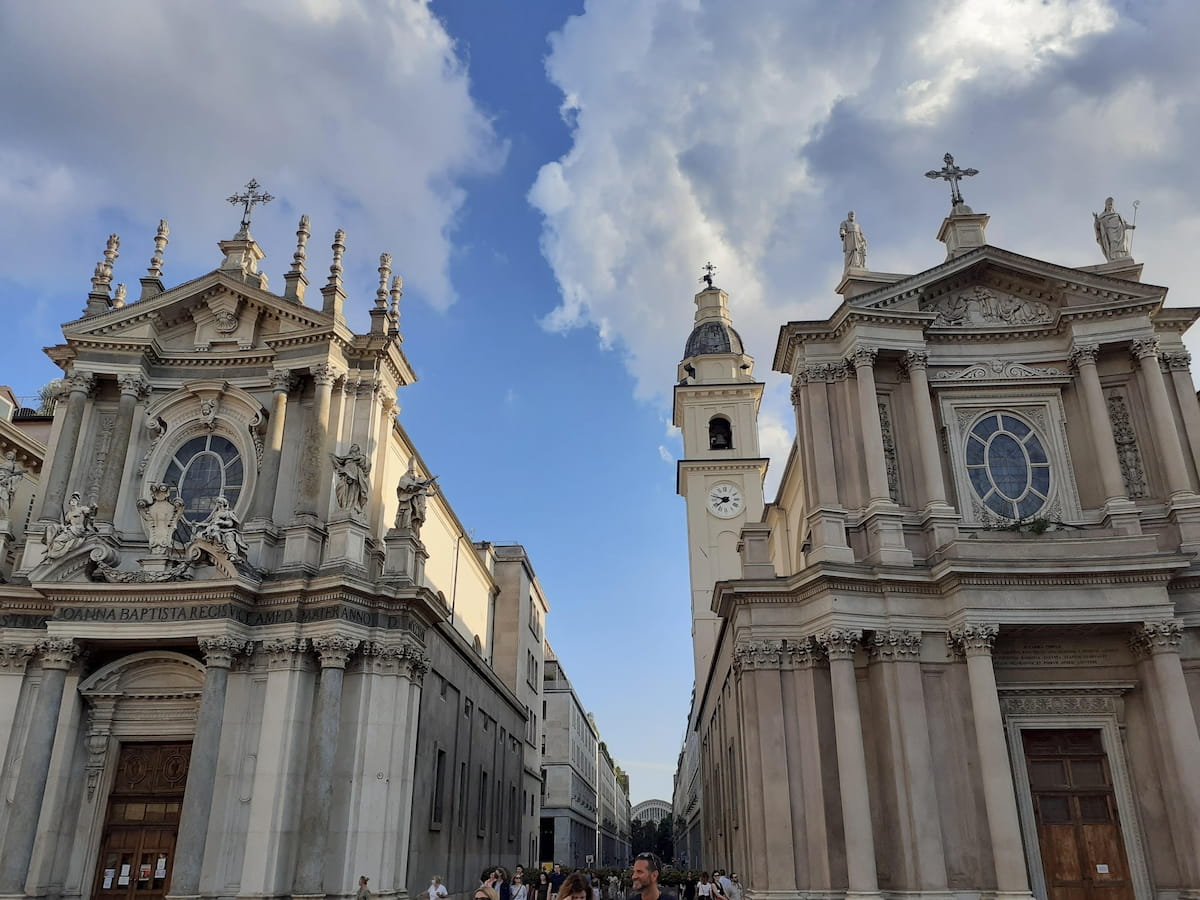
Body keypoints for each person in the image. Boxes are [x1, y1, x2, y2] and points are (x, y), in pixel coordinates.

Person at [331, 443, 371, 513]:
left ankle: (352, 506)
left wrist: (360, 458)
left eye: (355, 447)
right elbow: (338, 461)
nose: (353, 447)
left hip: (355, 477)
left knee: (353, 491)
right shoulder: (346, 457)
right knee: (341, 489)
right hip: (346, 476)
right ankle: (345, 506)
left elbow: (366, 465)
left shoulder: (360, 457)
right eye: (352, 446)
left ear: (358, 450)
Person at [1093, 196, 1134, 261]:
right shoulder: (1102, 216)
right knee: (1113, 244)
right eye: (1108, 204)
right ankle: (1114, 258)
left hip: (1120, 233)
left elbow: (1124, 224)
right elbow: (1098, 227)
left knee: (1122, 246)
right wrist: (1096, 220)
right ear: (1105, 205)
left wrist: (1131, 227)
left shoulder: (1117, 214)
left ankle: (1122, 256)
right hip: (1110, 232)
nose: (1109, 206)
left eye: (1111, 204)